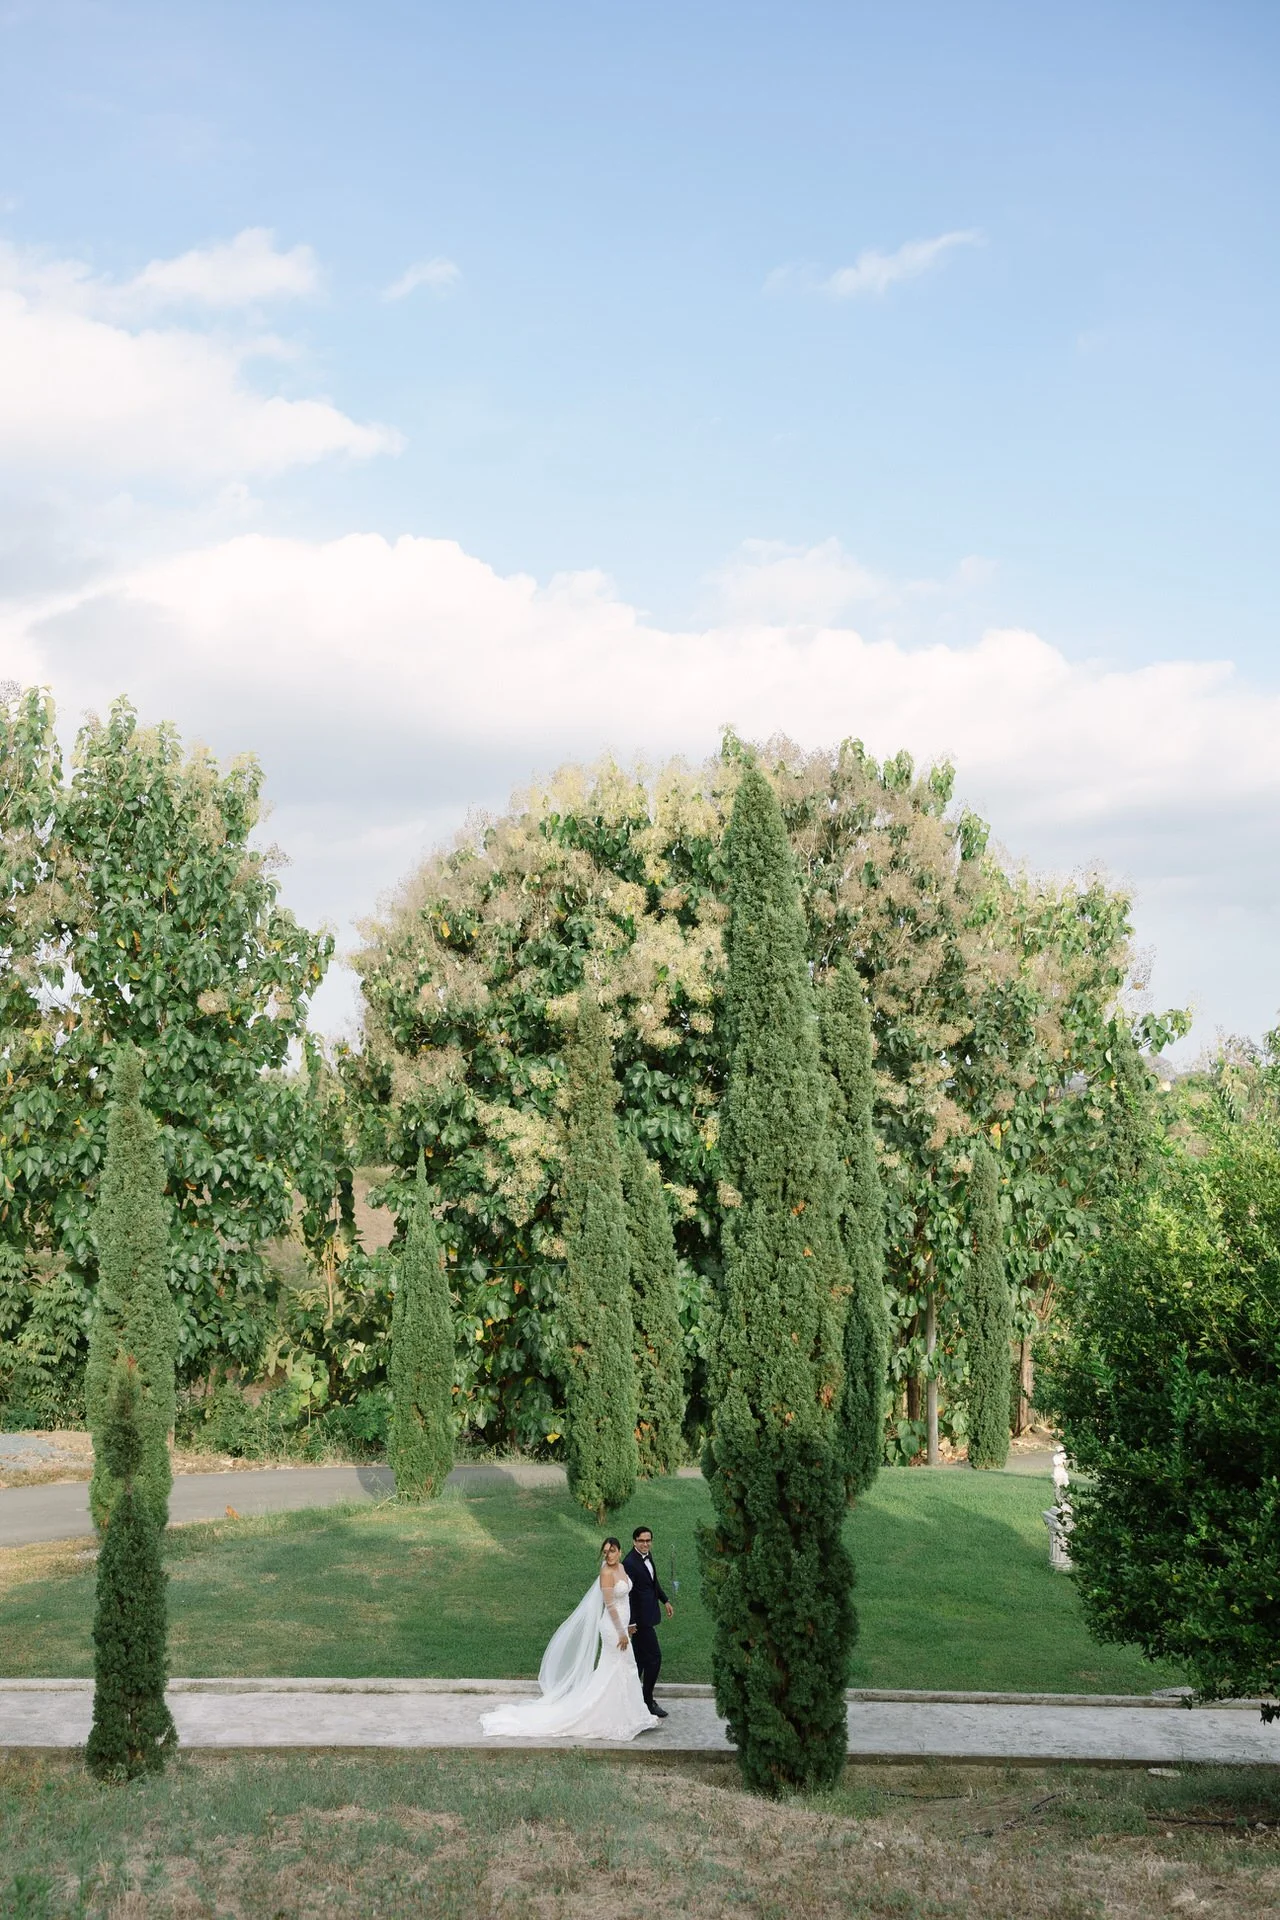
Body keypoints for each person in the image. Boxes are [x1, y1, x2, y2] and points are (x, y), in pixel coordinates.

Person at [479, 1538, 662, 1740]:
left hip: (622, 1625)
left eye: (612, 1551)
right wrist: (620, 1632)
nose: (608, 1555)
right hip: (612, 1629)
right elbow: (610, 1606)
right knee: (617, 1667)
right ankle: (607, 1716)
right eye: (605, 1552)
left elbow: (625, 1598)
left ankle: (628, 1714)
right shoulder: (606, 1573)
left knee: (624, 1667)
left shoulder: (622, 1568)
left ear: (619, 1551)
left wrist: (628, 1625)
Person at [623, 1524, 674, 1718]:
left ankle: (631, 1699)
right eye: (641, 1541)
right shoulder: (629, 1563)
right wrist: (631, 1622)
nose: (645, 1544)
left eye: (648, 1540)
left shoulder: (647, 1555)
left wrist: (665, 1600)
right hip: (640, 1621)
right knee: (654, 1658)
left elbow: (653, 1583)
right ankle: (647, 1700)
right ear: (634, 1541)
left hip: (649, 1613)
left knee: (639, 1660)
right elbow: (628, 1595)